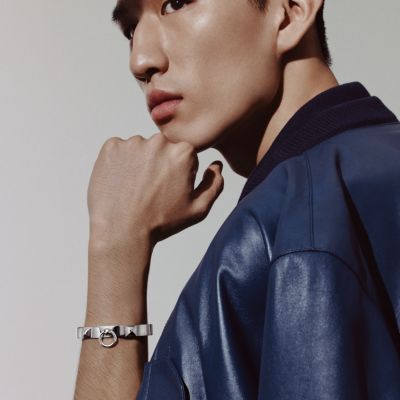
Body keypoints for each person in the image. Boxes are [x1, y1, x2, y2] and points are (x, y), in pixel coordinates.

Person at [74, 0, 400, 398]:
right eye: (130, 29)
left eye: (176, 4)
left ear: (292, 9)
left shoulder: (302, 217)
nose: (140, 60)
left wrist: (115, 248)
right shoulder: (361, 173)